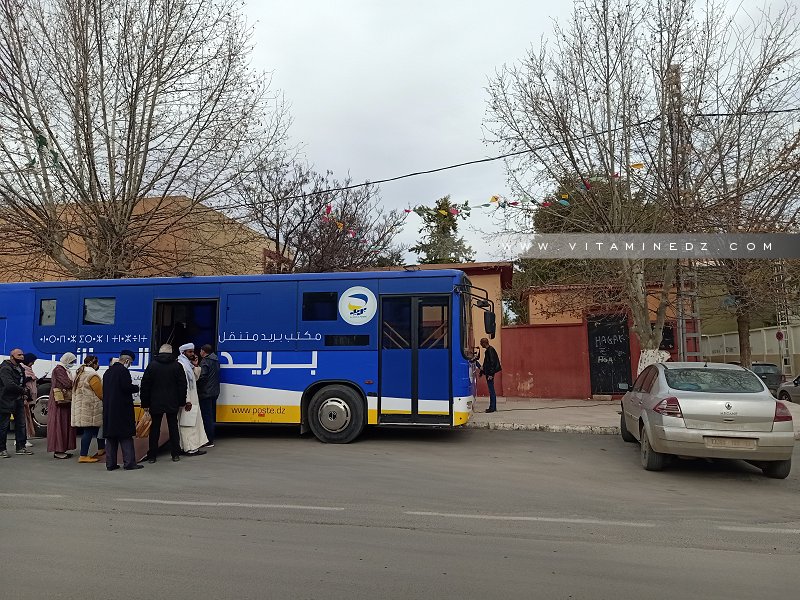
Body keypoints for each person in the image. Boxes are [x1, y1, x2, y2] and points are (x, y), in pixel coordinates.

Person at [140, 344, 187, 463]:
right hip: (172, 401)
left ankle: (152, 456)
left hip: (155, 402)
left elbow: (145, 385)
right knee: (173, 427)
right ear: (171, 353)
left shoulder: (152, 366)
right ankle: (175, 454)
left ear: (160, 352)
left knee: (155, 429)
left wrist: (145, 403)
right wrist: (182, 401)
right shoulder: (177, 366)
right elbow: (182, 385)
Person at [102, 350, 143, 471]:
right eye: (130, 363)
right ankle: (129, 462)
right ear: (126, 360)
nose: (129, 365)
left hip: (109, 409)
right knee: (125, 436)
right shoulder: (123, 371)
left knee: (111, 437)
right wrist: (136, 387)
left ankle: (110, 464)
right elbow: (126, 387)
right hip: (122, 408)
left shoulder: (108, 372)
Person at [71, 355, 105, 463]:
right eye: (97, 363)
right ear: (94, 364)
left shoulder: (80, 374)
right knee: (89, 431)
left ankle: (100, 449)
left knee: (91, 430)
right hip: (90, 408)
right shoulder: (92, 376)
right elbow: (100, 393)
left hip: (83, 407)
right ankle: (83, 455)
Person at [0, 348, 33, 458]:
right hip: (5, 400)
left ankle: (20, 447)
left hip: (18, 400)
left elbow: (21, 382)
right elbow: (9, 385)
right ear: (12, 356)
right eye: (19, 355)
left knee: (21, 424)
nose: (22, 356)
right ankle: (2, 450)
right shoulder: (5, 368)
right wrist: (22, 390)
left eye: (22, 354)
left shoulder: (19, 367)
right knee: (3, 426)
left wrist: (25, 391)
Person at [177, 343, 207, 456]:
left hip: (192, 399)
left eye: (192, 351)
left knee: (191, 423)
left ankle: (189, 447)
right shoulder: (182, 365)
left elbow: (194, 379)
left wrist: (195, 365)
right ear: (183, 353)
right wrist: (187, 400)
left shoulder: (188, 365)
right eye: (189, 352)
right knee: (187, 425)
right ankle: (189, 448)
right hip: (187, 401)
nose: (192, 354)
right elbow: (183, 385)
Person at [47, 352, 77, 459]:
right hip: (58, 401)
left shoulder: (64, 369)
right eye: (72, 361)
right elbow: (68, 383)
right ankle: (58, 451)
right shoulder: (59, 370)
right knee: (59, 425)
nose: (73, 363)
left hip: (64, 402)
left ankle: (62, 449)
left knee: (63, 425)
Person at [197, 343, 220, 448]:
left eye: (201, 350)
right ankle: (210, 438)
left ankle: (209, 440)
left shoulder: (205, 361)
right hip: (214, 392)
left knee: (206, 417)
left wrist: (196, 384)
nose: (200, 352)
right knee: (210, 416)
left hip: (206, 393)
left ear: (203, 351)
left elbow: (202, 377)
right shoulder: (215, 360)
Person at [479, 338, 502, 413]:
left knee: (491, 390)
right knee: (491, 390)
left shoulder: (490, 350)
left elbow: (492, 363)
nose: (480, 344)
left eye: (481, 343)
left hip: (490, 374)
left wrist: (491, 374)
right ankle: (493, 407)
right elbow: (487, 363)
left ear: (484, 343)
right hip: (489, 373)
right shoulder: (489, 350)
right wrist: (482, 371)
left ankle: (492, 407)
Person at [21, 354, 40, 445]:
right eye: (32, 362)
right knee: (23, 419)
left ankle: (24, 439)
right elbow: (21, 381)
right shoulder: (22, 369)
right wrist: (30, 378)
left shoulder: (28, 369)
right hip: (25, 398)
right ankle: (21, 440)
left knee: (27, 419)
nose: (32, 364)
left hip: (29, 398)